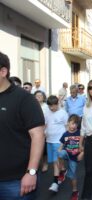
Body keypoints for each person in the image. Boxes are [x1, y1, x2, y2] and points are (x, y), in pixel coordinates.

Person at [0, 52, 45, 199]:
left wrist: (31, 172)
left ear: (3, 72)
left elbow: (38, 135)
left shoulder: (24, 99)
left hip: (16, 181)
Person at [45, 95, 69, 193]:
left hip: (58, 141)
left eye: (53, 106)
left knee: (56, 162)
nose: (51, 108)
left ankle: (55, 183)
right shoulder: (47, 112)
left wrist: (67, 140)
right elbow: (45, 124)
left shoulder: (63, 113)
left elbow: (67, 126)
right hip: (49, 141)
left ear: (57, 103)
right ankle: (63, 171)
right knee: (57, 162)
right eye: (50, 106)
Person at [58, 114, 84, 200]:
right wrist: (59, 151)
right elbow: (61, 145)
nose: (74, 126)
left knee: (72, 176)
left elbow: (85, 145)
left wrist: (82, 153)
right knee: (60, 153)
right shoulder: (65, 134)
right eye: (72, 123)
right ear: (68, 123)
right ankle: (63, 170)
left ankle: (75, 191)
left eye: (76, 124)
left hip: (74, 157)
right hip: (66, 153)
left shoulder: (80, 133)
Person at [34, 90, 49, 173]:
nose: (38, 97)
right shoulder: (32, 105)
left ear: (44, 97)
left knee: (44, 149)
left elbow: (48, 119)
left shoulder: (46, 107)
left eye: (40, 96)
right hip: (34, 129)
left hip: (44, 129)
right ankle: (37, 164)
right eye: (37, 96)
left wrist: (45, 130)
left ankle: (45, 163)